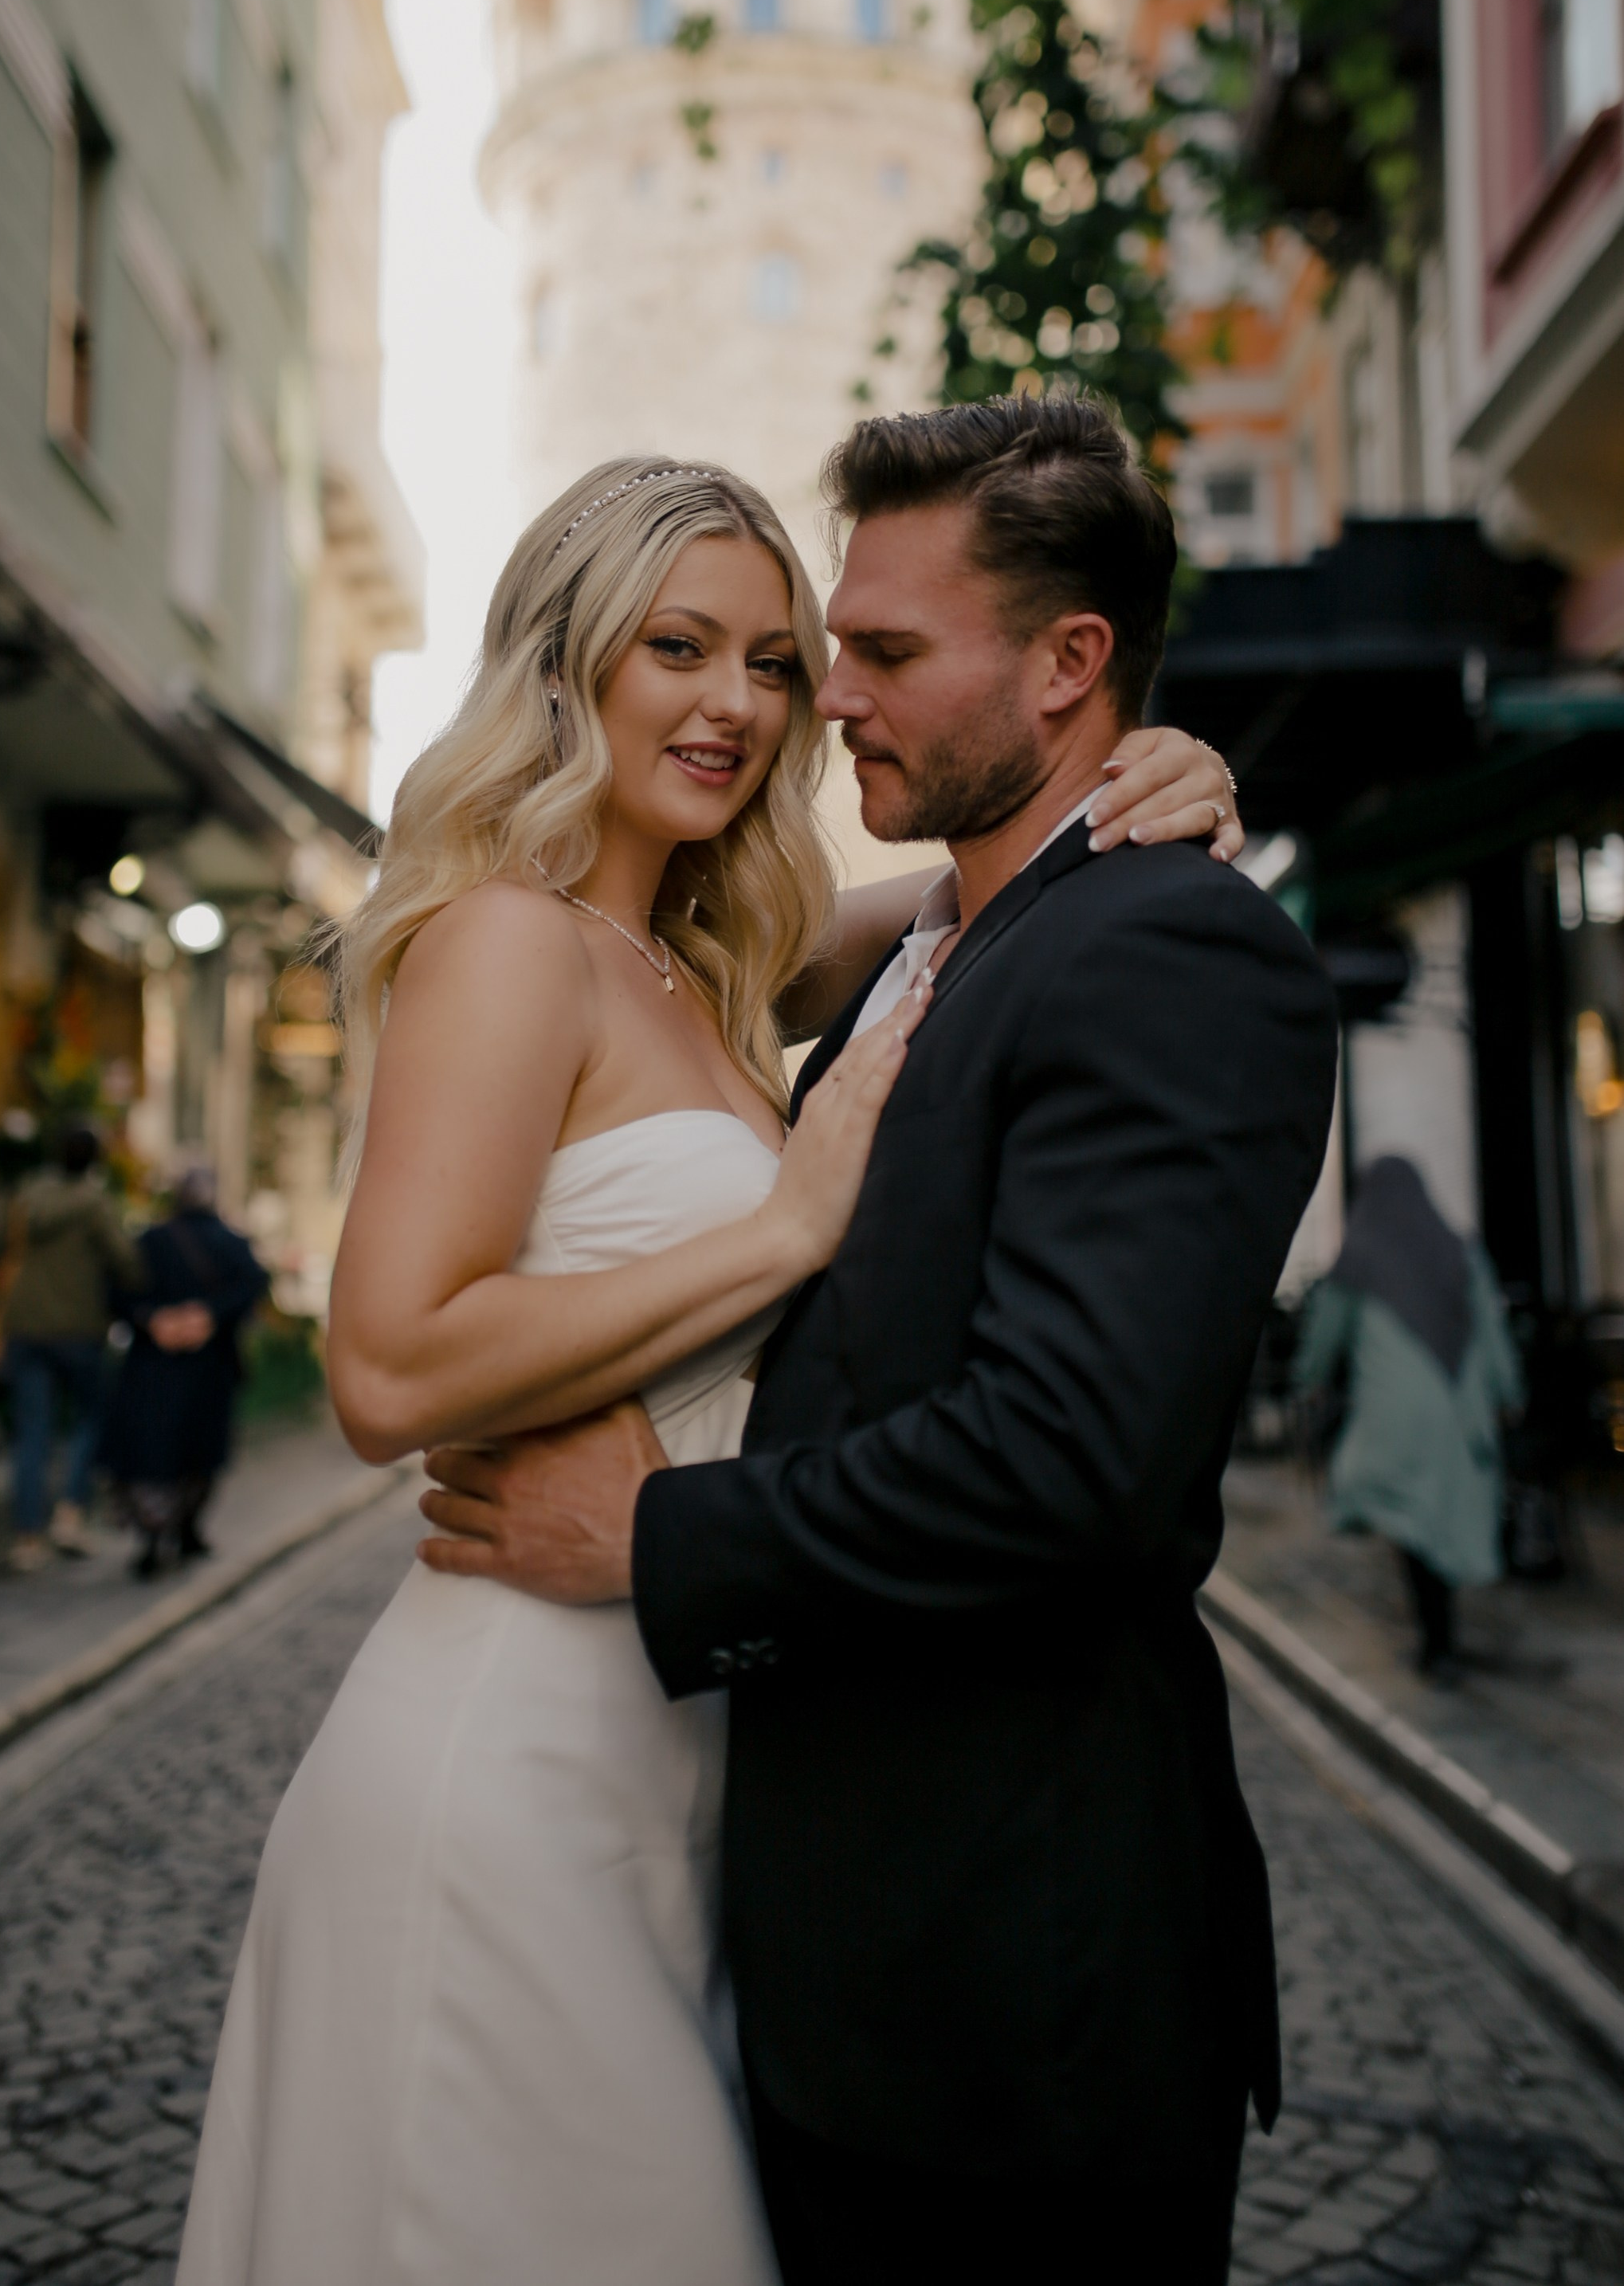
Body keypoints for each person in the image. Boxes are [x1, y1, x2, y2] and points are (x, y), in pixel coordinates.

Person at [174, 443, 1239, 2286]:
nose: (741, 704)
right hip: (504, 1757)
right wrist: (777, 1222)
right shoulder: (510, 942)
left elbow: (970, 909)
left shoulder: (696, 959)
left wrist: (1167, 760)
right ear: (564, 660)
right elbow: (385, 1360)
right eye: (680, 645)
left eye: (773, 656)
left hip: (674, 1767)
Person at [420, 399, 1341, 2286]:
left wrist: (656, 1538)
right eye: (811, 647)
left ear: (1069, 660)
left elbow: (1066, 1458)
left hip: (1012, 2004)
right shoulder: (942, 944)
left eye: (879, 652)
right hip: (839, 1959)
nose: (816, 700)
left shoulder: (1167, 948)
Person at [1293, 1155, 1523, 1680]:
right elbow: (1491, 1330)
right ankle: (1438, 1638)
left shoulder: (1360, 1255)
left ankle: (1436, 1643)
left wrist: (1308, 1382)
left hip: (1393, 1417)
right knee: (1435, 1513)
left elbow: (1325, 1335)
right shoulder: (1457, 1247)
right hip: (1457, 1411)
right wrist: (1508, 1393)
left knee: (1412, 1519)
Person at [103, 1167, 269, 1580]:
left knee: (152, 1452)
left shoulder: (150, 1240)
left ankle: (155, 1540)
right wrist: (208, 1316)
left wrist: (153, 1320)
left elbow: (115, 1292)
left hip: (153, 1366)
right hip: (207, 1367)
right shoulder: (232, 1243)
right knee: (201, 1452)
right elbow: (254, 1285)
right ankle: (187, 1530)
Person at [0, 1122, 141, 1574]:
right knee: (91, 1419)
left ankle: (27, 1539)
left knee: (32, 1434)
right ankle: (70, 1515)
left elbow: (6, 1249)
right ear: (94, 1160)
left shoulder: (30, 1195)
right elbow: (127, 1265)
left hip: (26, 1327)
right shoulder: (95, 1204)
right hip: (78, 1330)